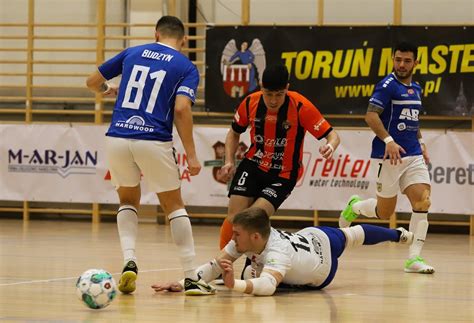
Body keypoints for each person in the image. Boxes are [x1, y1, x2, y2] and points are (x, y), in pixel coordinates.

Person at [86, 15, 215, 295]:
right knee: (174, 206)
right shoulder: (185, 66)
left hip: (118, 136)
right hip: (153, 139)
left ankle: (129, 260)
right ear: (183, 40)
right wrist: (192, 155)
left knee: (127, 201)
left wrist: (108, 90)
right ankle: (191, 277)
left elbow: (92, 81)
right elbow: (181, 109)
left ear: (156, 34)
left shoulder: (132, 52)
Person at [151, 207, 413, 296]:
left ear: (255, 236)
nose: (232, 239)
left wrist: (236, 285)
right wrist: (185, 283)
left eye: (236, 235)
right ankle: (397, 234)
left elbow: (267, 286)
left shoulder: (277, 253)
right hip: (310, 236)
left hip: (323, 268)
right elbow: (216, 264)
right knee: (350, 235)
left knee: (353, 235)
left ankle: (398, 234)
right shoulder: (250, 238)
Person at [218, 64, 340, 250]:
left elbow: (332, 135)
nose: (273, 101)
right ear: (260, 87)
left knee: (254, 218)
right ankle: (222, 266)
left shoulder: (301, 106)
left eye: (279, 94)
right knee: (234, 217)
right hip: (253, 164)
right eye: (268, 94)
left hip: (283, 174)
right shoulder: (250, 102)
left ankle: (253, 265)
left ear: (287, 89)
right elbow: (233, 133)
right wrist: (228, 161)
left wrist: (330, 146)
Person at [338, 41, 434, 274]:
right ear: (393, 59)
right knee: (385, 212)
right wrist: (389, 141)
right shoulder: (387, 86)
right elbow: (371, 116)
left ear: (416, 63)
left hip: (412, 154)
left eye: (407, 60)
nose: (402, 64)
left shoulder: (417, 89)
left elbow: (414, 120)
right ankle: (356, 206)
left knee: (423, 201)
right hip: (387, 156)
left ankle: (414, 259)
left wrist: (421, 144)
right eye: (398, 59)